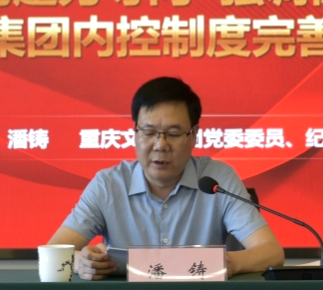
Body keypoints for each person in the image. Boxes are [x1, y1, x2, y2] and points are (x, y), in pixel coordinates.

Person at [47, 76, 284, 280]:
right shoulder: (108, 185)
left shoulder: (217, 179)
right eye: (149, 132)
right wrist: (81, 263)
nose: (161, 145)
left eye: (174, 133)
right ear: (135, 132)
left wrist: (230, 263)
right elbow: (53, 252)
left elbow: (271, 252)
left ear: (194, 135)